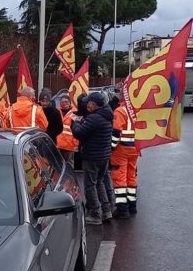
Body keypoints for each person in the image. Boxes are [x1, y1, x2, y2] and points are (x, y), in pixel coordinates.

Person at [71, 91, 114, 225]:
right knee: (99, 182)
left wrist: (76, 122)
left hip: (92, 156)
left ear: (94, 104)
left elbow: (79, 133)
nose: (86, 104)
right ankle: (106, 211)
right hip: (103, 155)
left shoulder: (94, 118)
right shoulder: (106, 115)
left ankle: (95, 214)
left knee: (90, 185)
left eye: (89, 102)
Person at [110, 101, 139, 218]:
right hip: (135, 148)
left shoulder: (120, 110)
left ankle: (122, 209)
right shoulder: (138, 109)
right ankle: (132, 206)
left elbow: (116, 132)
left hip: (121, 149)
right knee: (131, 176)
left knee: (120, 177)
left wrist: (111, 147)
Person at [55, 94, 78, 164]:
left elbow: (78, 129)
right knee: (56, 165)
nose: (64, 104)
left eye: (66, 102)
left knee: (67, 166)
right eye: (62, 102)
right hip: (57, 144)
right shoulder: (56, 112)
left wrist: (76, 144)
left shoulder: (75, 113)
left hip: (69, 146)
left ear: (70, 103)